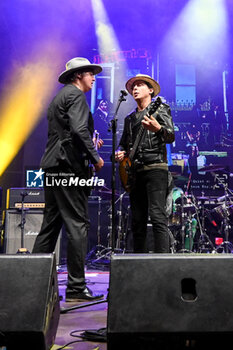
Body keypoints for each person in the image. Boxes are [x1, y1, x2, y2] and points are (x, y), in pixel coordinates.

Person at [32, 57, 104, 302]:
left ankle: (33, 283)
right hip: (67, 169)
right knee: (77, 224)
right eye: (90, 74)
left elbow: (67, 133)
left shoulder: (59, 98)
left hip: (52, 166)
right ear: (78, 76)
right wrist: (95, 156)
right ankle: (76, 287)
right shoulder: (75, 96)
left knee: (50, 225)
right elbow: (78, 129)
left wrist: (88, 145)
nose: (94, 78)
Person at [116, 74, 175, 253]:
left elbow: (170, 135)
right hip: (135, 172)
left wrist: (158, 129)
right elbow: (124, 144)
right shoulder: (129, 118)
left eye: (140, 85)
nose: (135, 88)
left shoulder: (160, 109)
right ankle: (139, 262)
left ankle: (162, 263)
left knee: (157, 215)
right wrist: (120, 153)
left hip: (156, 168)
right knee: (137, 220)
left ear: (150, 90)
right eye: (133, 86)